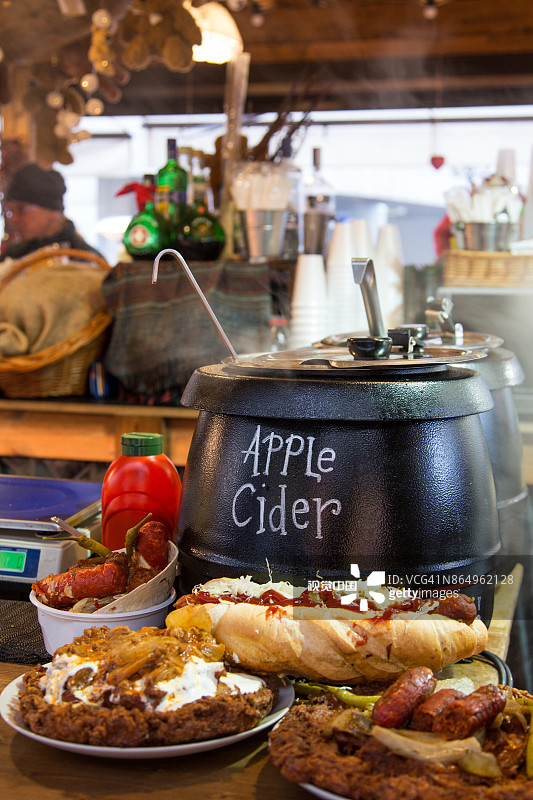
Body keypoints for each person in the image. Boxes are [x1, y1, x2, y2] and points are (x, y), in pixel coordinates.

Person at [0, 163, 104, 262]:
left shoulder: (89, 260)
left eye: (21, 209)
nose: (13, 219)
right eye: (10, 210)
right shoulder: (11, 257)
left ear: (53, 210)